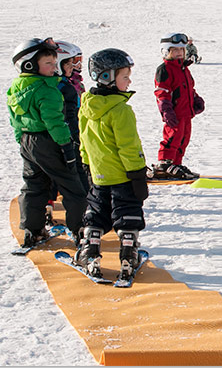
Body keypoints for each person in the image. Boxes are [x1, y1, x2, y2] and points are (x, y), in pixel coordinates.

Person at [74, 48, 149, 281]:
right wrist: (137, 173)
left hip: (99, 175)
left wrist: (87, 165)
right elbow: (128, 146)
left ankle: (91, 251)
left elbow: (84, 139)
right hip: (123, 177)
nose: (129, 81)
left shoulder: (86, 105)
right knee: (127, 214)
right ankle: (128, 254)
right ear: (106, 77)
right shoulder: (121, 110)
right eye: (125, 77)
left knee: (96, 214)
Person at [7, 38, 88, 248]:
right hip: (50, 141)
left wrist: (21, 140)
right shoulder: (48, 90)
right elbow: (56, 122)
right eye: (48, 64)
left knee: (34, 186)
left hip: (28, 141)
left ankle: (32, 230)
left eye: (54, 63)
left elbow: (15, 118)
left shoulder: (16, 88)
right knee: (73, 186)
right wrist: (66, 147)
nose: (54, 69)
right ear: (29, 65)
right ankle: (80, 229)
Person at [151, 33, 205, 180]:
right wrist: (166, 110)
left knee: (184, 138)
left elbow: (189, 88)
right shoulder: (165, 69)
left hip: (186, 113)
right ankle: (164, 163)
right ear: (166, 51)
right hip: (174, 113)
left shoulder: (184, 68)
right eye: (174, 50)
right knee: (172, 138)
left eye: (181, 50)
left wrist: (195, 99)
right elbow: (162, 92)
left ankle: (176, 163)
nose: (179, 53)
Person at [54, 40, 91, 196]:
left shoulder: (72, 82)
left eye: (78, 61)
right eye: (72, 62)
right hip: (68, 133)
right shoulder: (60, 87)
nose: (76, 66)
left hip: (77, 129)